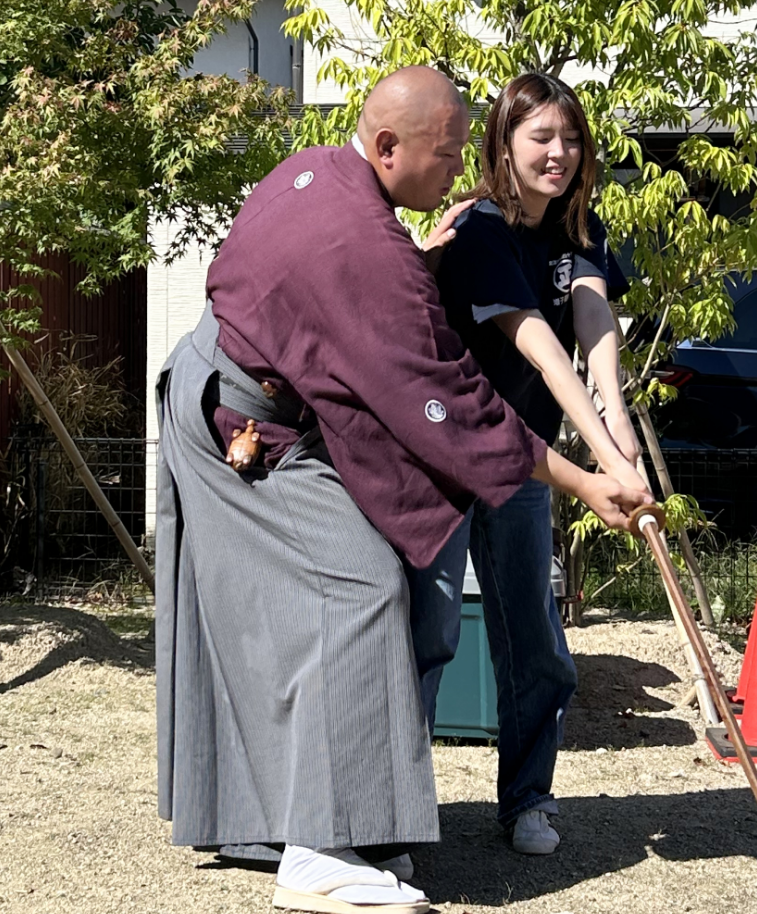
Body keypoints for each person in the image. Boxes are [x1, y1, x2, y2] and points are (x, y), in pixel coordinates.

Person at [154, 66, 650, 914]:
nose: (458, 171)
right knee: (364, 589)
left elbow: (583, 330)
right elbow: (454, 402)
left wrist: (615, 436)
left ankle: (296, 822)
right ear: (387, 147)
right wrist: (586, 478)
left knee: (399, 612)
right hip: (247, 425)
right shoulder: (385, 244)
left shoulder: (319, 176)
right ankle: (324, 848)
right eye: (450, 152)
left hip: (242, 399)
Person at [408, 72, 653, 858]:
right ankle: (392, 815)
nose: (560, 153)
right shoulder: (478, 227)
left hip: (527, 466)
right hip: (447, 459)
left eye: (571, 138)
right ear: (504, 144)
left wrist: (616, 423)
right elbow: (541, 349)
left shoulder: (580, 227)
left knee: (535, 638)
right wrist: (605, 458)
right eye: (541, 137)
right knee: (428, 636)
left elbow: (591, 320)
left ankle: (527, 800)